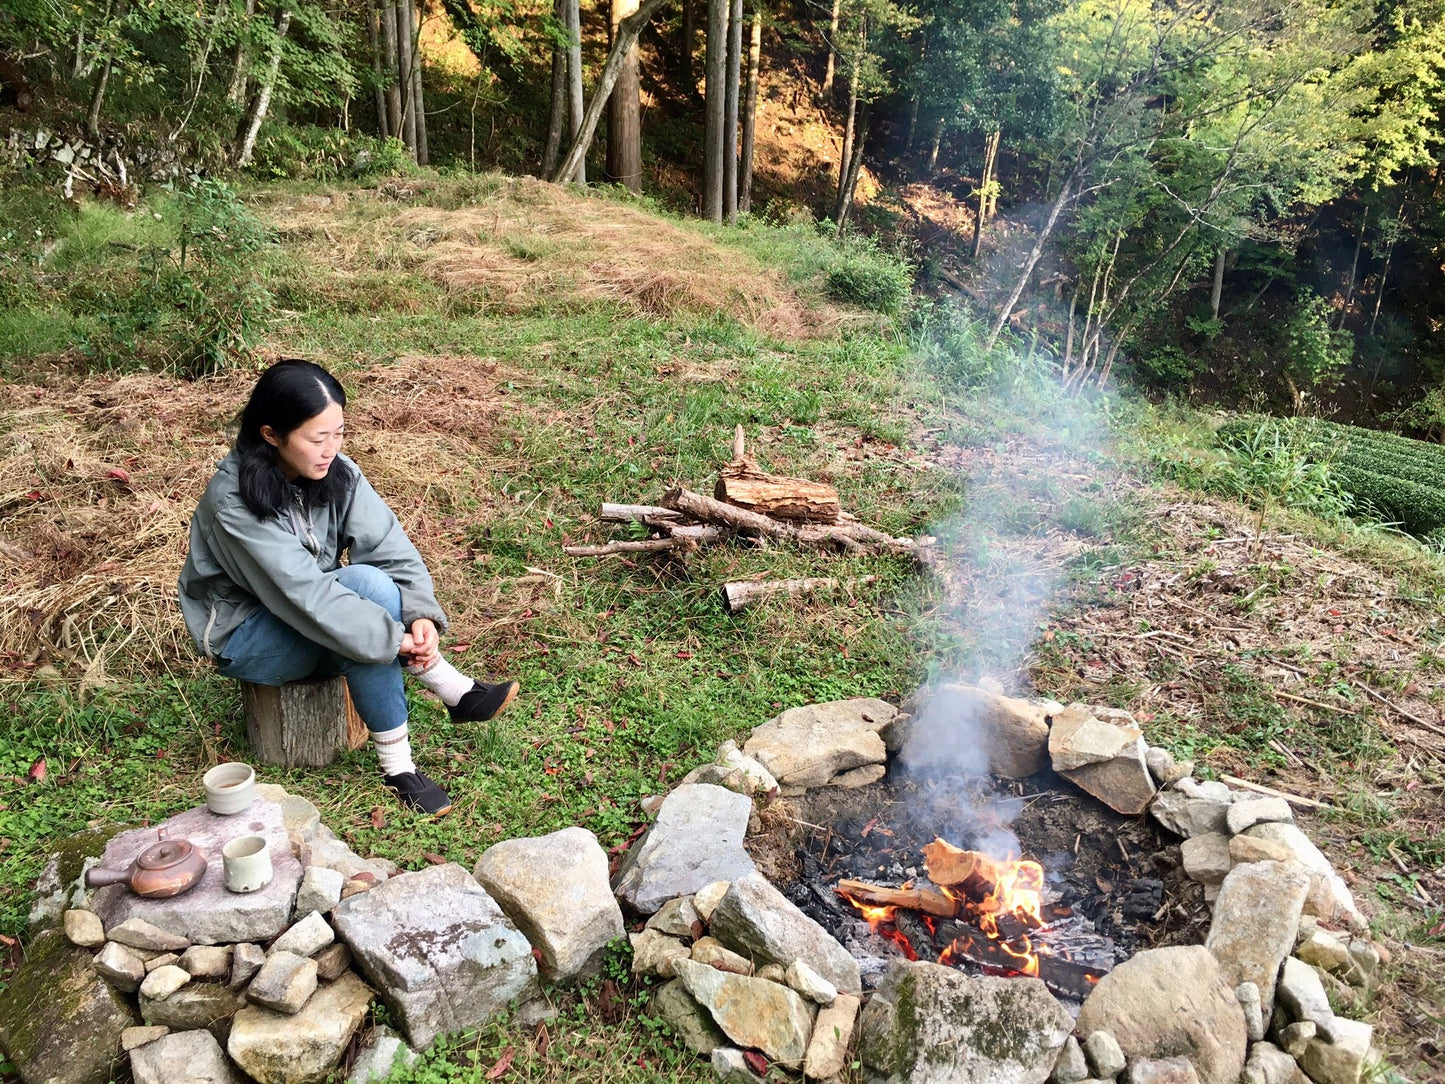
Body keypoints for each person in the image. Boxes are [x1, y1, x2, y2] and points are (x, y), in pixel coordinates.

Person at [178, 359, 517, 814]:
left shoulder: (337, 471)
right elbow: (301, 592)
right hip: (248, 638)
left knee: (372, 584)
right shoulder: (232, 503)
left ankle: (409, 754)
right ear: (271, 434)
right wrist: (392, 638)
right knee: (364, 591)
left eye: (339, 433)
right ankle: (440, 703)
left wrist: (419, 615)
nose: (331, 449)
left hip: (311, 614)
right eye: (318, 438)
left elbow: (389, 546)